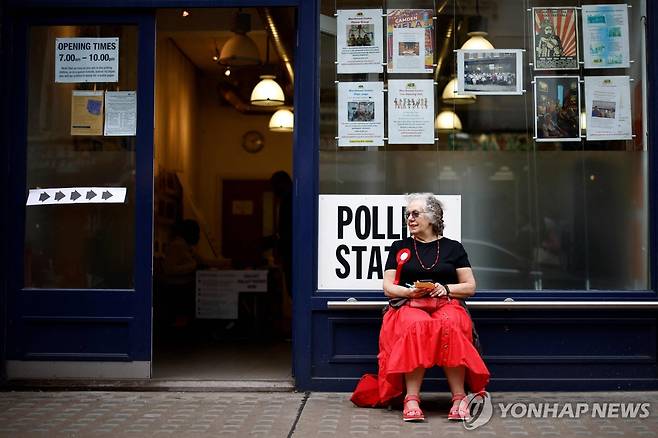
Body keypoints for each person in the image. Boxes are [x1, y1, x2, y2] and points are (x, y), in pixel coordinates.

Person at [351, 193, 490, 422]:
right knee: (417, 325)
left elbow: (470, 286)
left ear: (433, 217)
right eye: (408, 215)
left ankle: (459, 397)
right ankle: (412, 399)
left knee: (451, 324)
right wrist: (408, 292)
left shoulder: (453, 248)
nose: (410, 219)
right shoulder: (399, 247)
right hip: (409, 304)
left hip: (445, 303)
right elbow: (387, 287)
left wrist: (446, 289)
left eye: (416, 214)